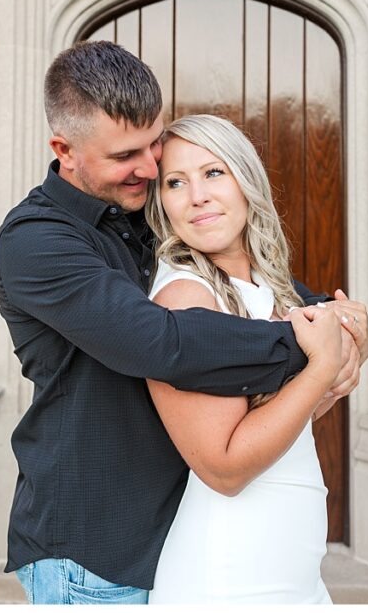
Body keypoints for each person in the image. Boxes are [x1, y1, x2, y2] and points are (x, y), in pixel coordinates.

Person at [0, 40, 368, 604]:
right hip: (96, 553)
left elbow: (259, 297)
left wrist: (339, 327)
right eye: (127, 155)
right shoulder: (38, 241)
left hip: (176, 533)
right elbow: (163, 344)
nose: (149, 168)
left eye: (154, 145)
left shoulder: (147, 212)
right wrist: (316, 348)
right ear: (63, 150)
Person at [145, 114, 346, 603]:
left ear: (246, 178)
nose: (197, 196)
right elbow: (225, 468)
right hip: (231, 575)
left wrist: (352, 338)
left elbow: (289, 414)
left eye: (214, 173)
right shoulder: (185, 298)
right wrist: (322, 367)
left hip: (296, 569)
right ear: (162, 203)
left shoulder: (271, 286)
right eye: (176, 182)